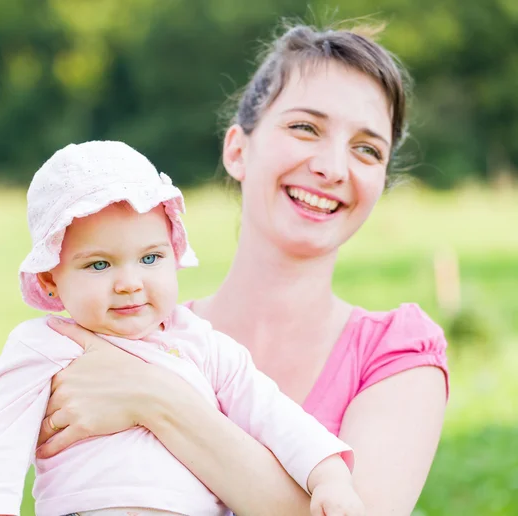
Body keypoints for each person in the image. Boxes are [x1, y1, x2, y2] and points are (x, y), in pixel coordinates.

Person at [33, 23, 449, 516]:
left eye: (367, 149)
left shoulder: (397, 354)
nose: (334, 167)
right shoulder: (124, 331)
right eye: (305, 127)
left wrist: (160, 402)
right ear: (237, 150)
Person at [0, 141, 364, 516]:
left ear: (174, 253)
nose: (130, 283)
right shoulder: (44, 346)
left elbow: (276, 417)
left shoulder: (202, 344)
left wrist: (329, 477)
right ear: (50, 280)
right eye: (99, 264)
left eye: (150, 258)